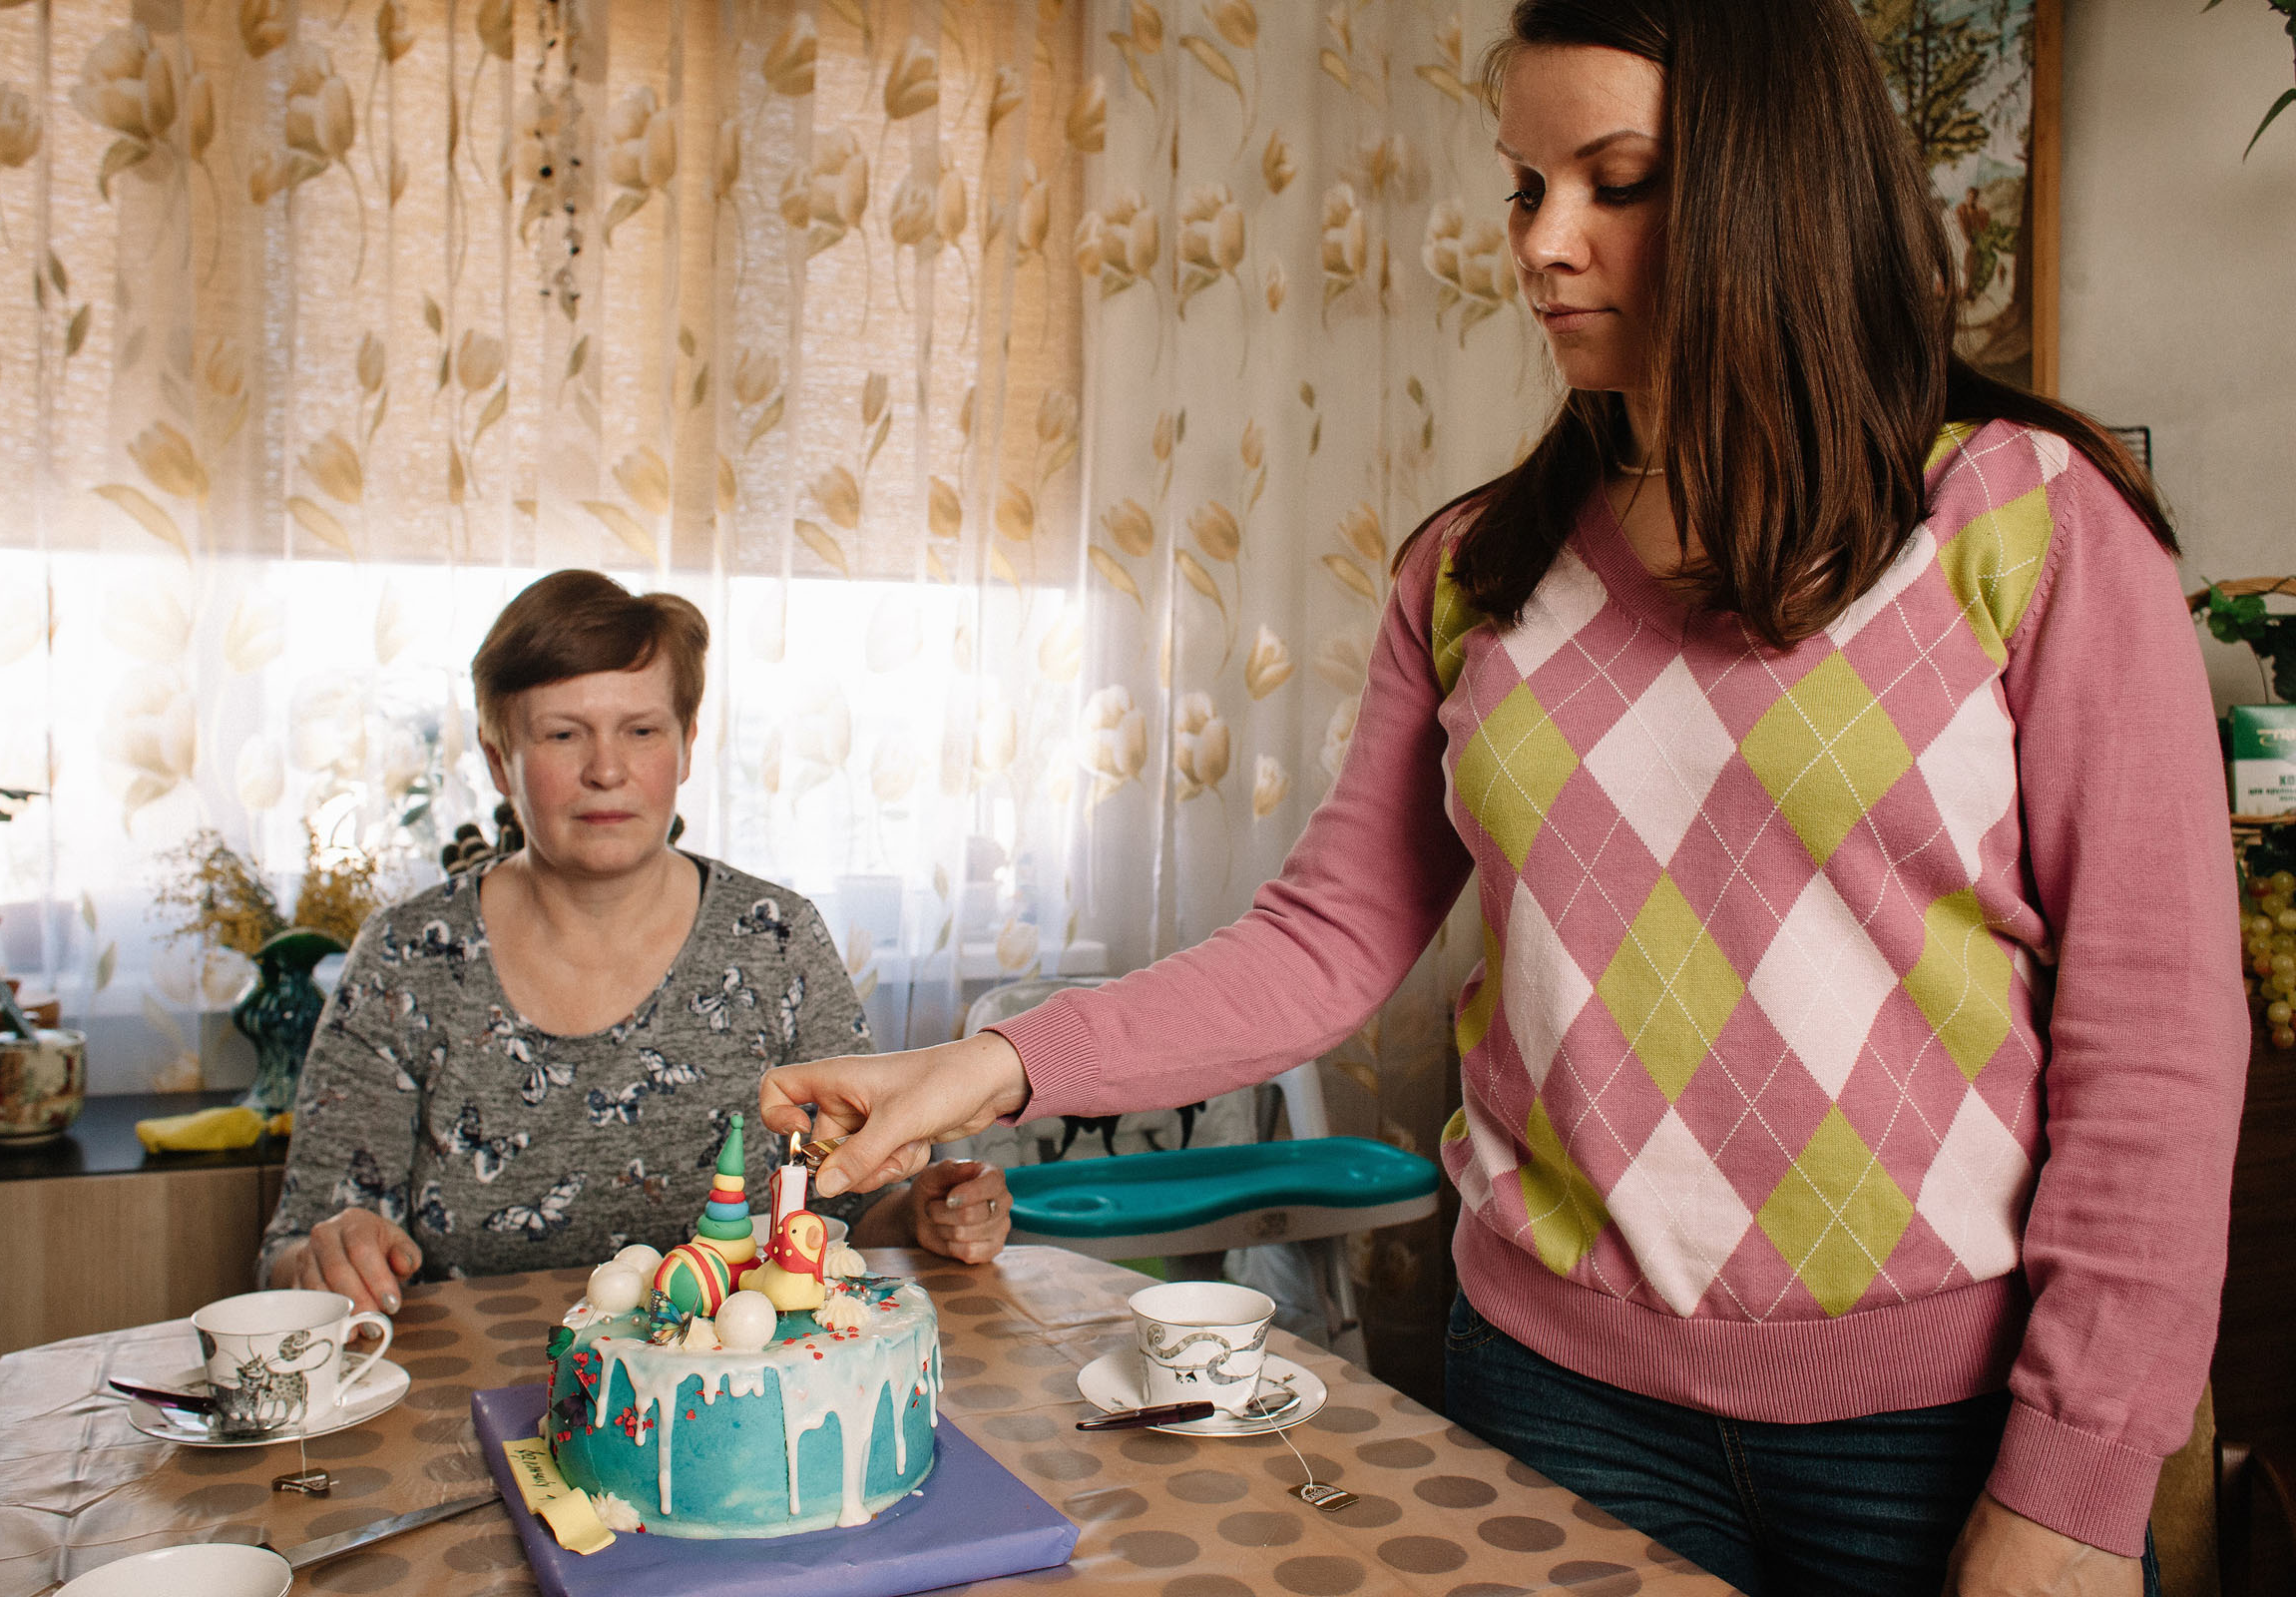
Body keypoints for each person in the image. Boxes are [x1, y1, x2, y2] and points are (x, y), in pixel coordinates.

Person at [760, 3, 2245, 1595]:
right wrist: (985, 1065)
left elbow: (2154, 1038)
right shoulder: (1478, 571)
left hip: (1944, 1425)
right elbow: (1324, 943)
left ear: (1774, 190)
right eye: (1524, 187)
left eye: (1617, 182)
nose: (1544, 244)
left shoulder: (2030, 523)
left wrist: (2079, 1489)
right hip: (1555, 1397)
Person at [259, 571, 1010, 1310]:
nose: (607, 770)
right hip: (462, 1408)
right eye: (562, 734)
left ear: (684, 747)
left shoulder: (777, 941)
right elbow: (293, 1252)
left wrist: (922, 1215)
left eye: (641, 731)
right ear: (498, 760)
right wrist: (328, 1256)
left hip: (738, 1405)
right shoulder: (406, 959)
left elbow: (849, 1219)